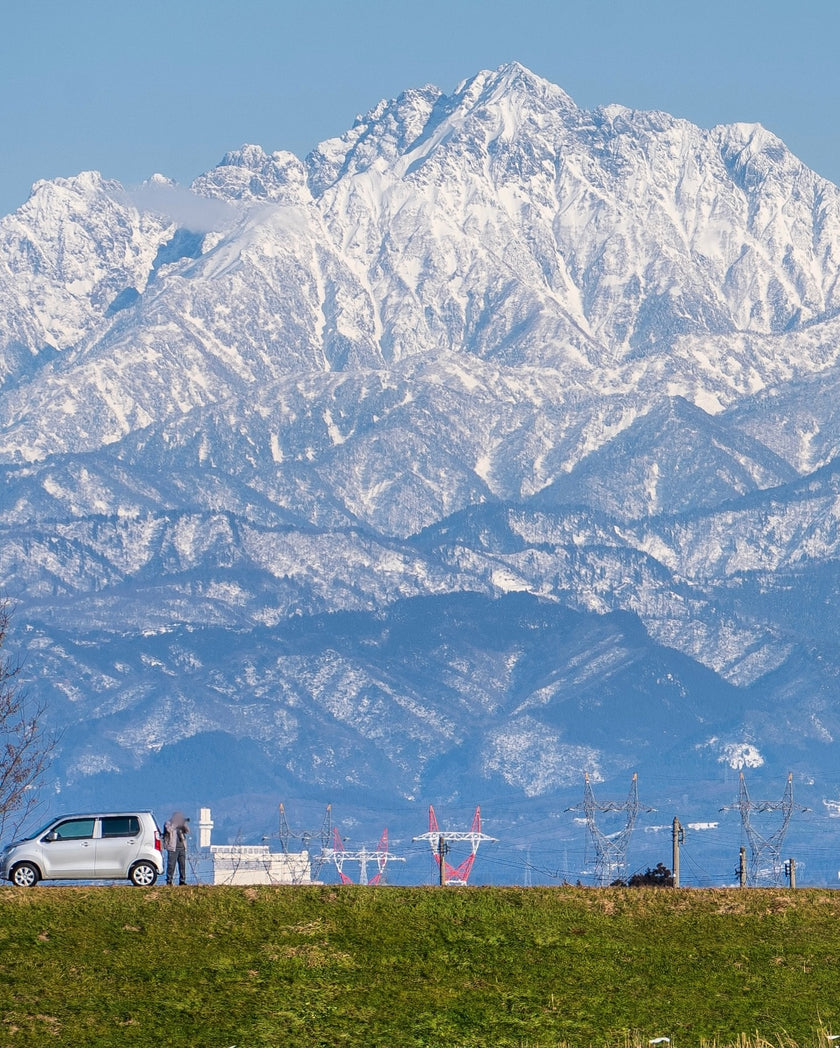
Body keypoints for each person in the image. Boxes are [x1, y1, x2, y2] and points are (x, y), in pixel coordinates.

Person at [163, 811, 190, 885]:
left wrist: (184, 824)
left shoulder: (181, 825)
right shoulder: (168, 823)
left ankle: (182, 880)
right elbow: (169, 830)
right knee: (171, 865)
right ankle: (169, 880)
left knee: (182, 865)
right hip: (172, 848)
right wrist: (175, 824)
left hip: (182, 847)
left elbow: (187, 831)